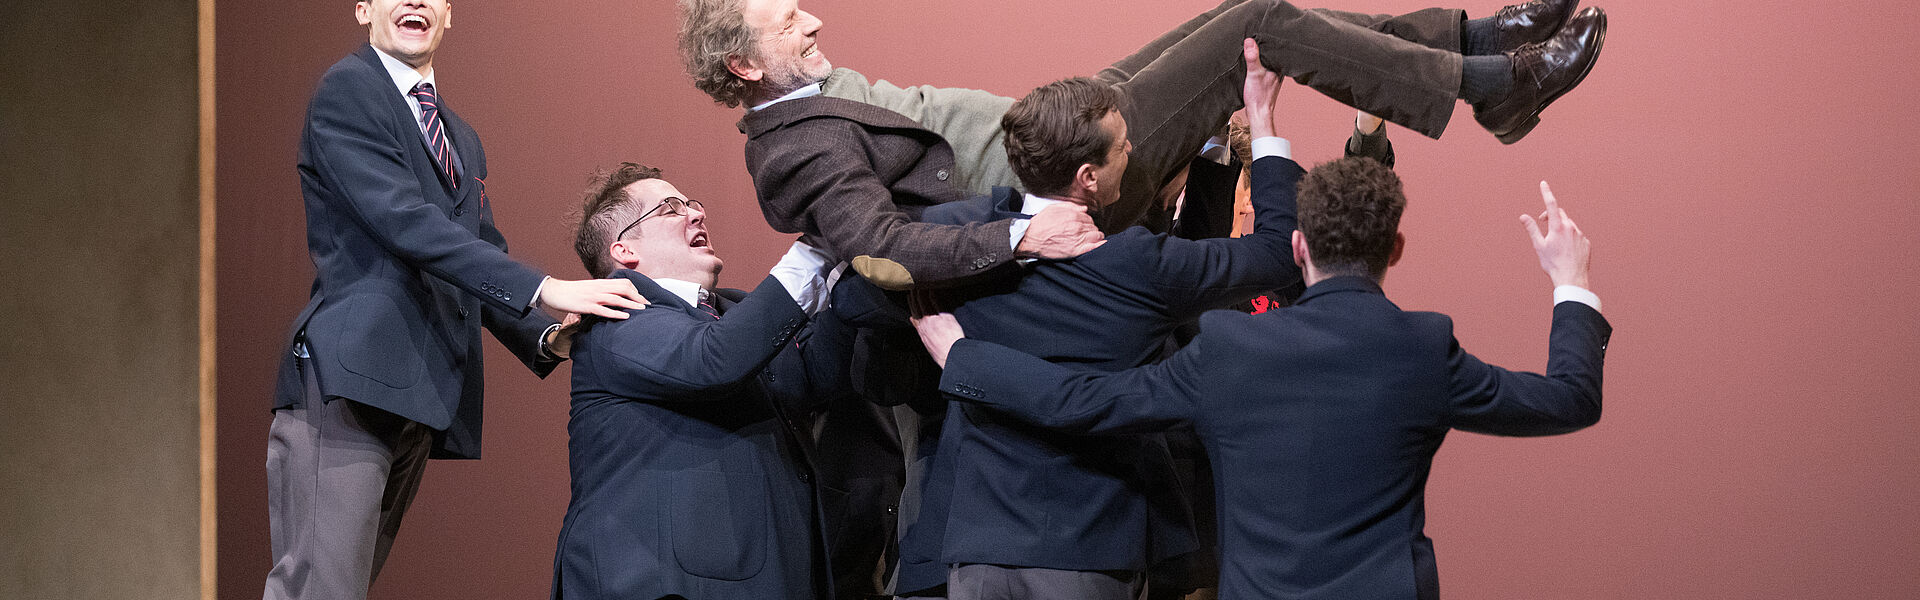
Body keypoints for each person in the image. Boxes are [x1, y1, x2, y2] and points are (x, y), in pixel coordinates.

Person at [912, 165, 1612, 599]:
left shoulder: (1230, 347)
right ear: (1395, 248)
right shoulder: (1423, 349)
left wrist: (965, 358)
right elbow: (1568, 400)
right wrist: (1571, 281)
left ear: (1297, 247)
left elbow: (1085, 401)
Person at [848, 42, 1302, 599]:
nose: (1133, 149)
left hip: (979, 554)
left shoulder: (956, 241)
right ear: (1088, 176)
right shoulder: (1140, 266)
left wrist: (997, 247)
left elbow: (852, 293)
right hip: (1090, 552)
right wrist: (1262, 118)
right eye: (1123, 145)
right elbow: (1278, 251)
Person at [680, 0, 1606, 255]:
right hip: (1055, 168)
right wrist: (1020, 235)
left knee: (1248, 15)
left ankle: (1477, 46)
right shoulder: (793, 148)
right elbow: (878, 245)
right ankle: (1488, 84)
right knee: (1260, 23)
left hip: (1059, 110)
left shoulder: (808, 93)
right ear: (744, 67)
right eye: (787, 20)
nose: (813, 21)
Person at [265, 2, 647, 598]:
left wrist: (548, 334)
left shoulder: (459, 136)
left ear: (449, 14)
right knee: (318, 589)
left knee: (345, 587)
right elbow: (405, 221)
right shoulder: (349, 88)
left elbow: (477, 249)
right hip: (352, 378)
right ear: (363, 8)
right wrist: (544, 289)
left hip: (419, 391)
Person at [553, 163, 855, 599]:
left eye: (691, 204)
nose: (697, 214)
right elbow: (714, 359)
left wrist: (858, 258)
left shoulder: (735, 313)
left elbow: (817, 375)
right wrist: (818, 247)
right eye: (670, 208)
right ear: (624, 251)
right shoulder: (615, 319)